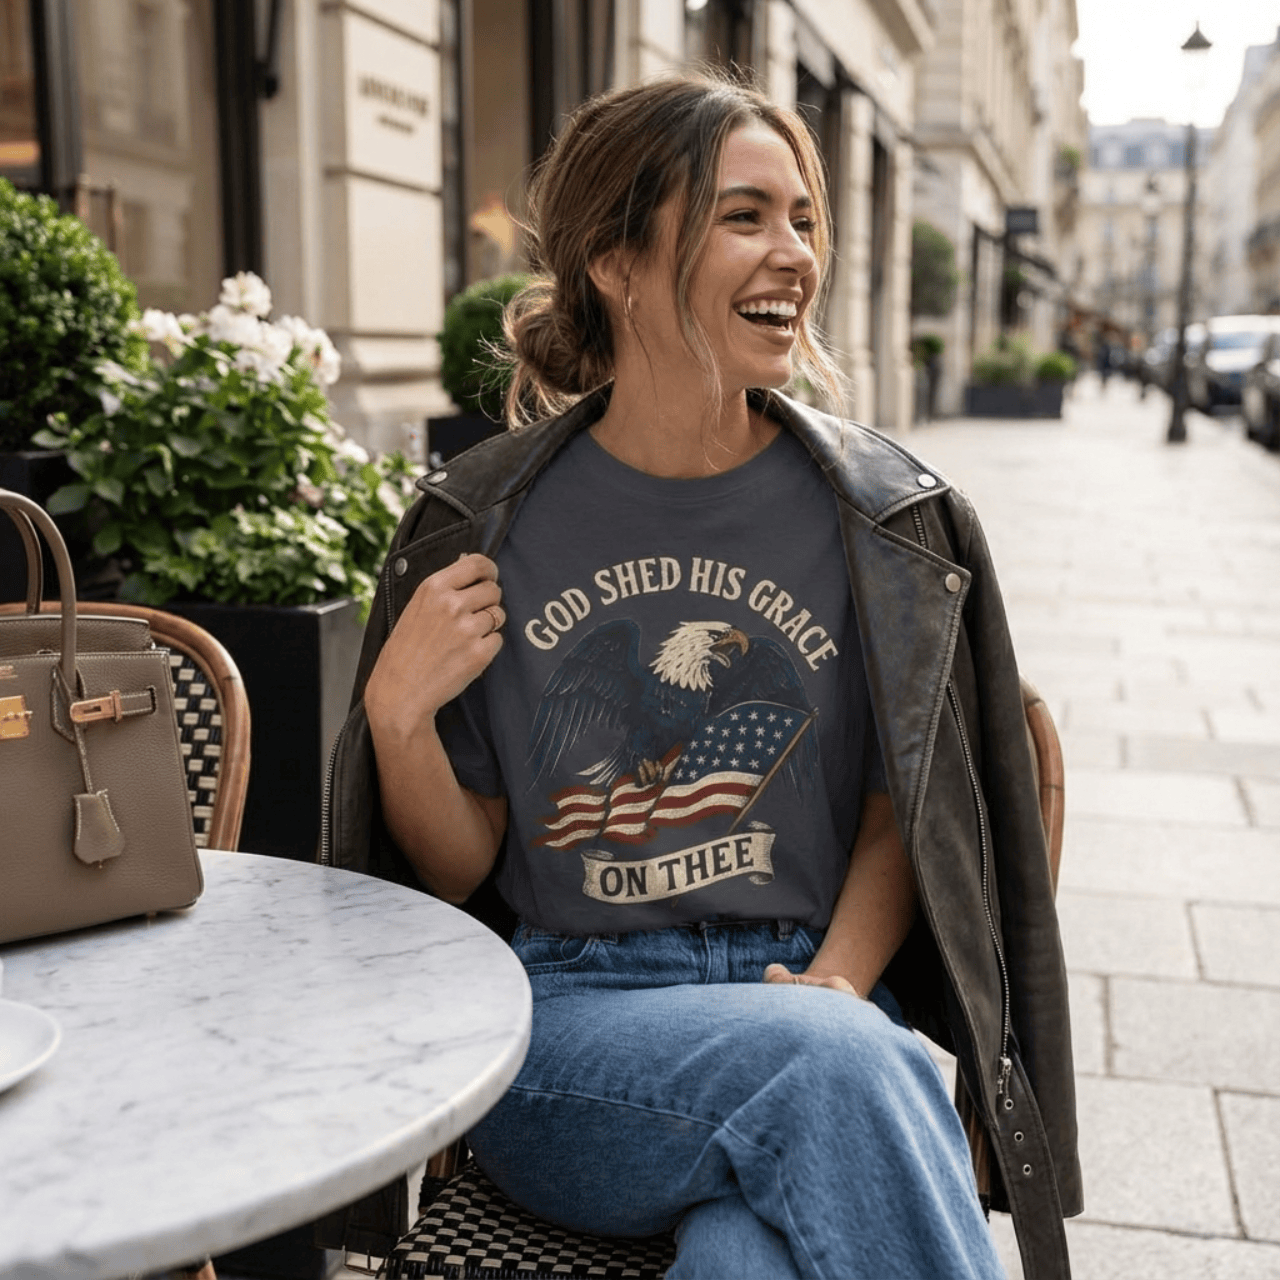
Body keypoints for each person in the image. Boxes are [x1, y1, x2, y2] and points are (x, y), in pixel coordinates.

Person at [328, 72, 1080, 1280]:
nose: (794, 254)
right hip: (569, 1026)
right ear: (615, 261)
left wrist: (832, 984)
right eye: (744, 216)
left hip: (811, 991)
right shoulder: (488, 521)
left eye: (802, 219)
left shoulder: (879, 520)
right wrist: (396, 715)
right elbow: (465, 865)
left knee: (747, 1253)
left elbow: (899, 812)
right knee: (833, 1069)